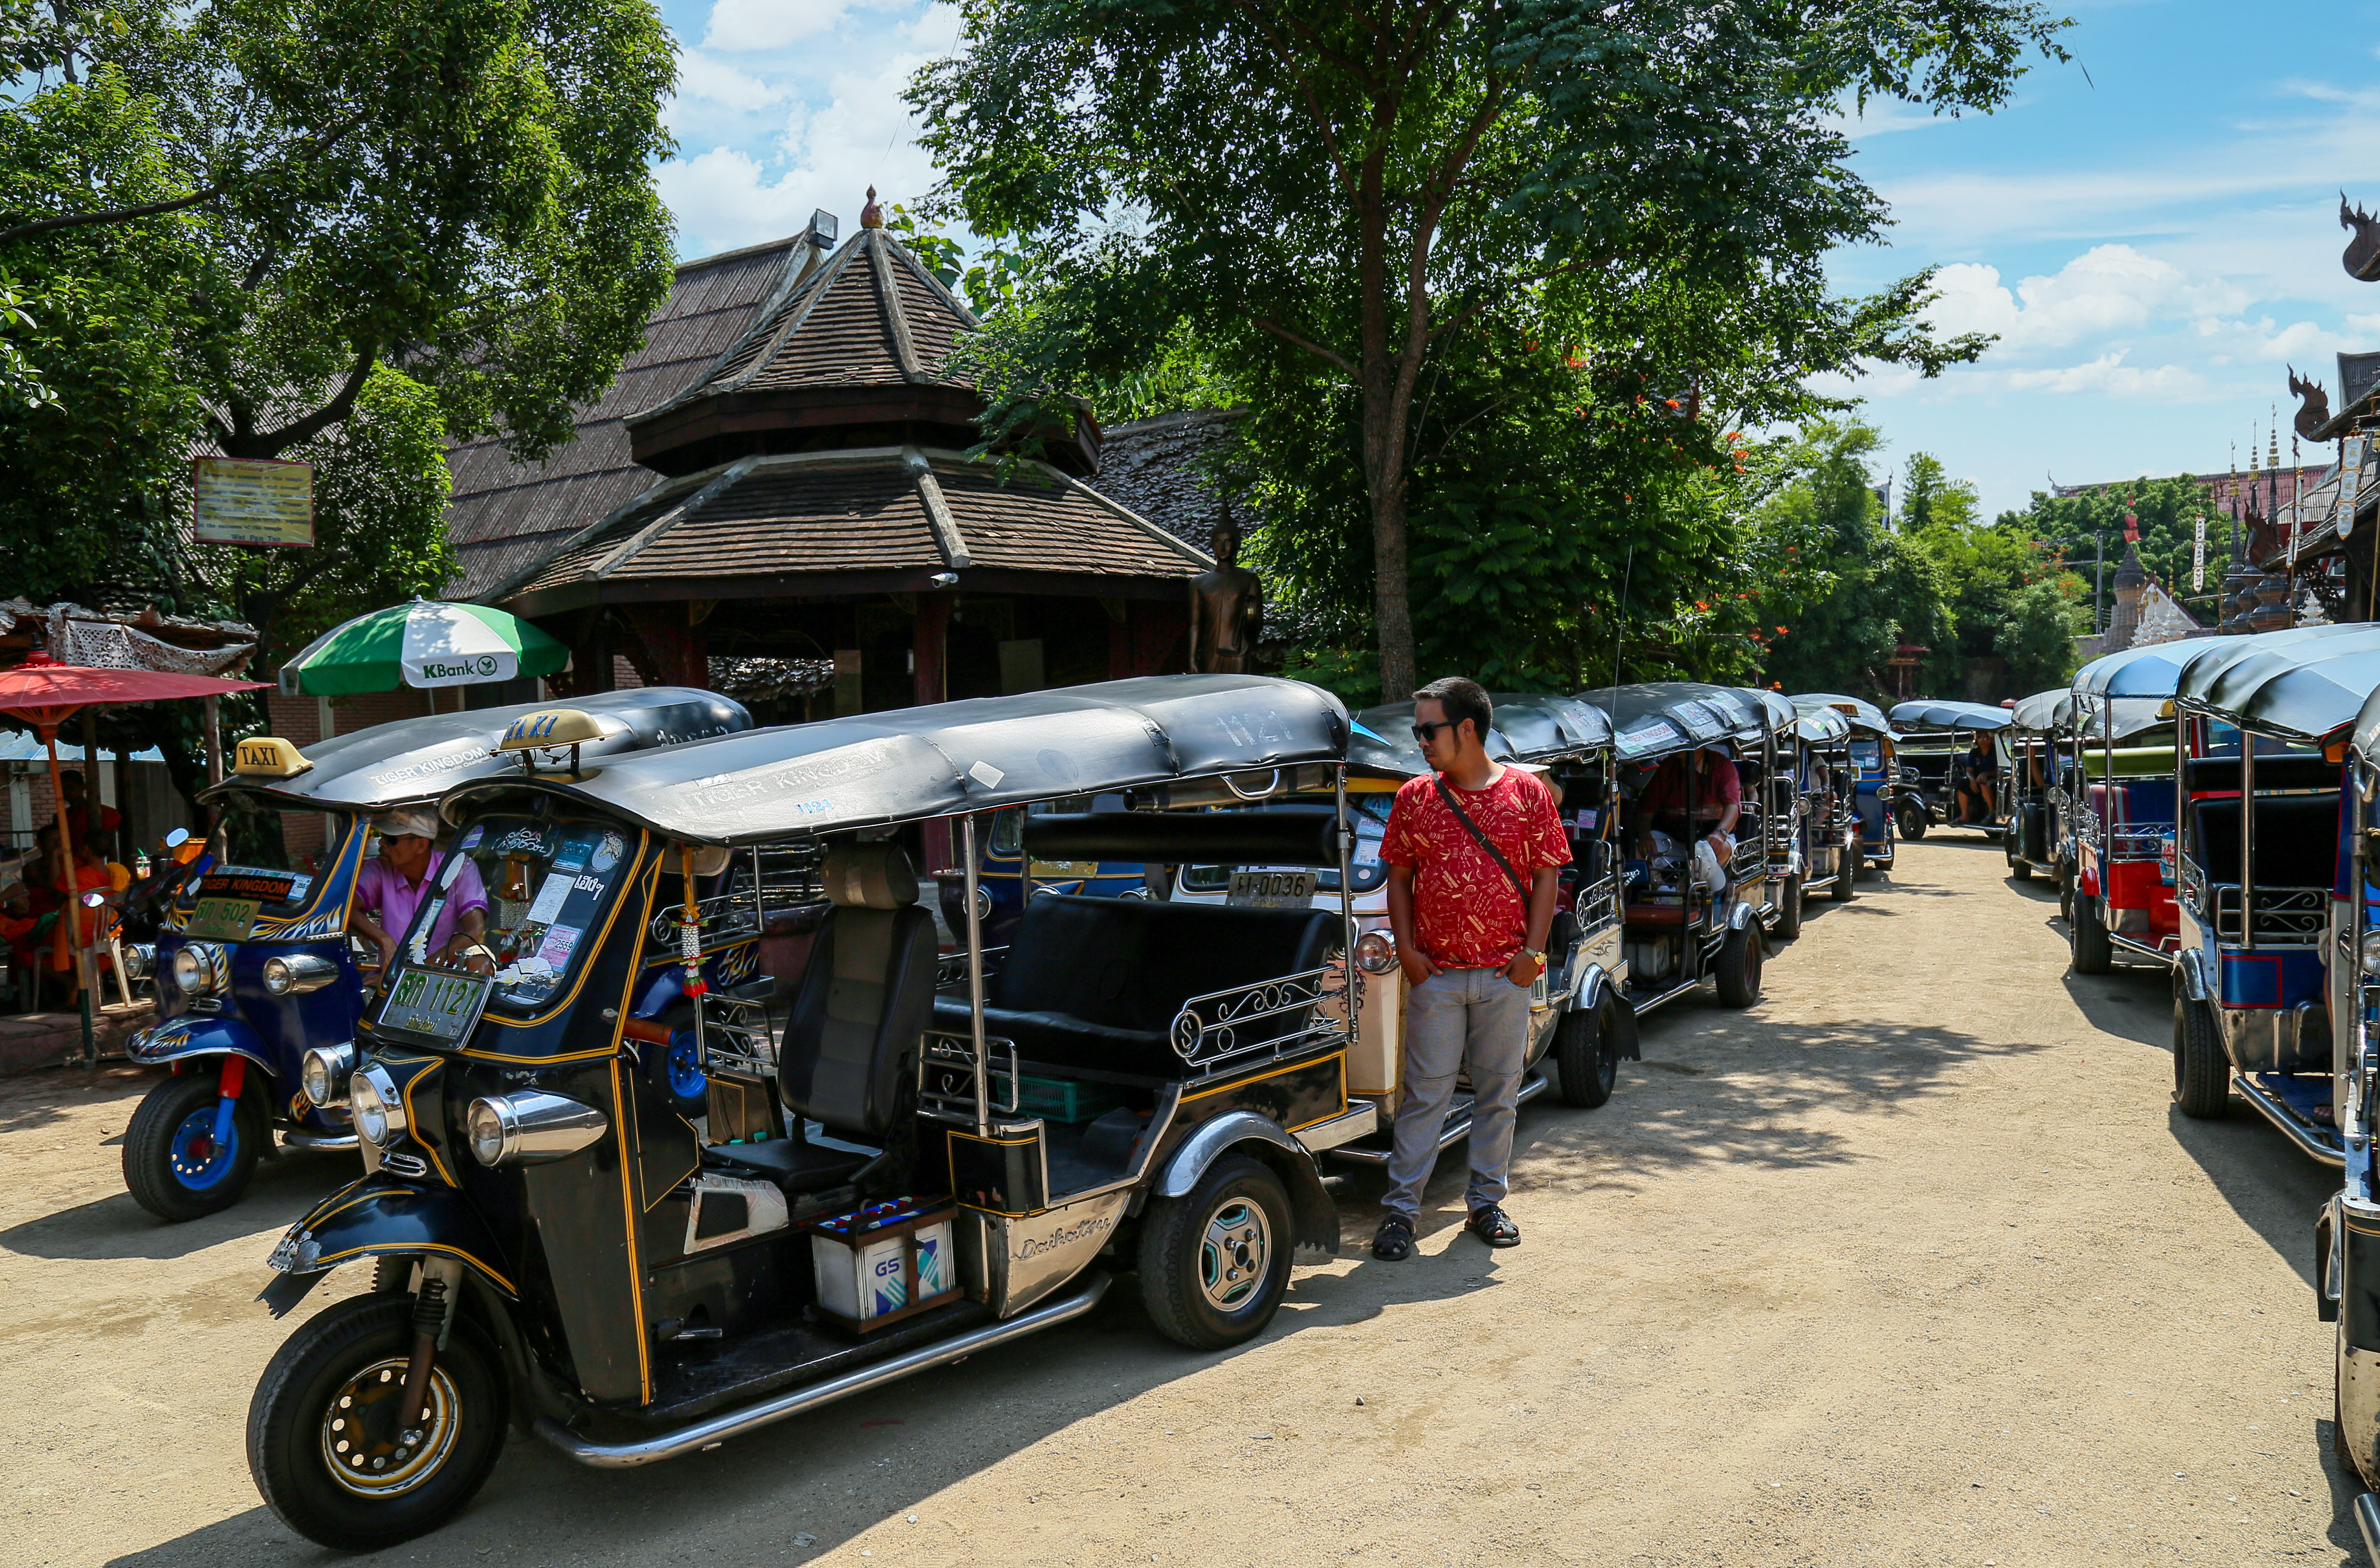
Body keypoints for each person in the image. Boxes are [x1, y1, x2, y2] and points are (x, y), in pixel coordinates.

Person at [1372, 677, 1568, 1261]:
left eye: (1427, 731)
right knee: (1424, 1098)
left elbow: (1548, 875)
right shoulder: (1416, 798)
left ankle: (1486, 1203)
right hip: (1438, 977)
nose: (1420, 743)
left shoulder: (1528, 794)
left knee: (1498, 1095)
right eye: (1417, 732)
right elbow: (1399, 877)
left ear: (1467, 729)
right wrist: (1408, 952)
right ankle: (1401, 1214)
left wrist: (1532, 955)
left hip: (1505, 977)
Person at [351, 807, 490, 973]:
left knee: (482, 961)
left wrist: (415, 973)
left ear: (421, 845)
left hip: (446, 976)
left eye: (391, 839)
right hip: (392, 978)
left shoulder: (459, 868)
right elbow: (346, 909)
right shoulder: (379, 869)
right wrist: (385, 941)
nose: (381, 843)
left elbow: (475, 932)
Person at [1636, 744, 1742, 894]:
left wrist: (1721, 833)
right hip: (1673, 835)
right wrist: (1645, 835)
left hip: (1711, 835)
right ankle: (1662, 892)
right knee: (1638, 850)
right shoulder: (1666, 768)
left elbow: (1734, 806)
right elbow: (1646, 811)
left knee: (1705, 854)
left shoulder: (1722, 765)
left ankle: (1682, 893)